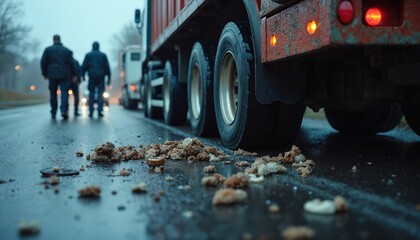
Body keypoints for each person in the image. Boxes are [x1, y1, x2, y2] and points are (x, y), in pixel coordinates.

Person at [41, 34, 76, 119]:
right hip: (65, 75)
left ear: (53, 40)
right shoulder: (67, 51)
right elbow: (72, 63)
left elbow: (43, 62)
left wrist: (44, 73)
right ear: (60, 40)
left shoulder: (48, 50)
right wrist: (74, 74)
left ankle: (53, 111)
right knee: (64, 93)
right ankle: (64, 110)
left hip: (52, 75)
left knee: (53, 93)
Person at [81, 41, 111, 117]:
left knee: (91, 94)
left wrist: (83, 76)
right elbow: (107, 67)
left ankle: (91, 111)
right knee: (101, 94)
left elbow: (84, 66)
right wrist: (108, 79)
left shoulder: (88, 55)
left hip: (92, 77)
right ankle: (100, 110)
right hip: (101, 77)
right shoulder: (103, 55)